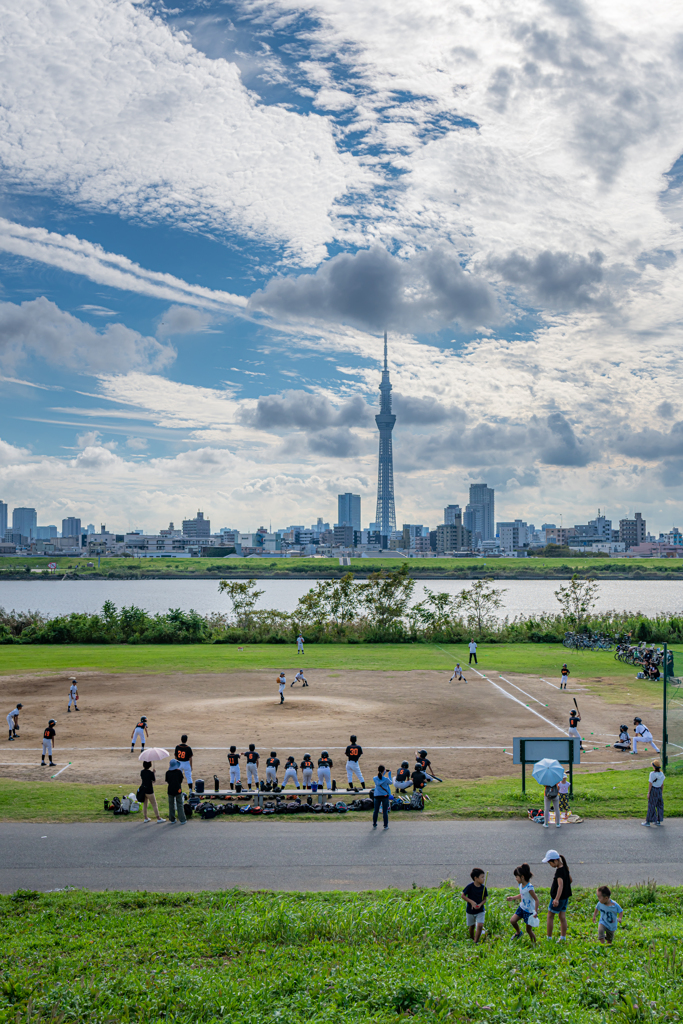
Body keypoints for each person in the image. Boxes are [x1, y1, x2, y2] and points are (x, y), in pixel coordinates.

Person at [543, 850, 572, 941]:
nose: (550, 865)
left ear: (555, 861)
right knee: (562, 917)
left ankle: (549, 938)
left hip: (558, 898)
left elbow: (560, 885)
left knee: (550, 916)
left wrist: (556, 899)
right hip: (565, 897)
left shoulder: (559, 871)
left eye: (550, 863)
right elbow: (570, 880)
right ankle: (563, 937)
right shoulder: (565, 867)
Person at [507, 863, 539, 944]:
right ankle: (518, 932)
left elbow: (536, 900)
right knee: (512, 921)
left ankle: (534, 944)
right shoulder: (521, 885)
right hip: (522, 908)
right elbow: (522, 895)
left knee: (529, 930)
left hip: (529, 912)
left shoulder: (529, 888)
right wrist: (513, 897)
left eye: (516, 877)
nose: (516, 878)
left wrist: (535, 911)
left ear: (522, 877)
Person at [461, 868, 488, 943]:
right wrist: (471, 902)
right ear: (476, 878)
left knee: (480, 925)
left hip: (480, 910)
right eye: (482, 877)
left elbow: (484, 899)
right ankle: (472, 938)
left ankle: (476, 941)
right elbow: (463, 895)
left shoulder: (483, 888)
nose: (484, 879)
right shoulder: (470, 886)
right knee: (472, 926)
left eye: (484, 877)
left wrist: (480, 904)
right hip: (470, 910)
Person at [642, 759, 665, 826]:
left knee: (651, 805)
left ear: (654, 767)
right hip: (659, 790)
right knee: (660, 805)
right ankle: (658, 820)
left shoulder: (652, 774)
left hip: (653, 790)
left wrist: (649, 792)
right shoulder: (662, 774)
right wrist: (661, 792)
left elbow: (650, 784)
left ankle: (648, 821)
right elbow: (662, 784)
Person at [372, 764, 393, 830]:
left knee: (375, 811)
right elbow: (391, 782)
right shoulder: (386, 779)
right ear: (384, 771)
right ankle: (385, 825)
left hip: (376, 796)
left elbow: (380, 778)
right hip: (384, 796)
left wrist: (383, 773)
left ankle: (374, 824)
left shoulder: (375, 778)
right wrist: (389, 774)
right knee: (385, 811)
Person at [165, 758, 186, 824]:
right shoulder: (179, 772)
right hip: (178, 789)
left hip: (170, 789)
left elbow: (167, 781)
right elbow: (180, 780)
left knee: (171, 805)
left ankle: (172, 819)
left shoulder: (167, 773)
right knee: (179, 804)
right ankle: (182, 819)